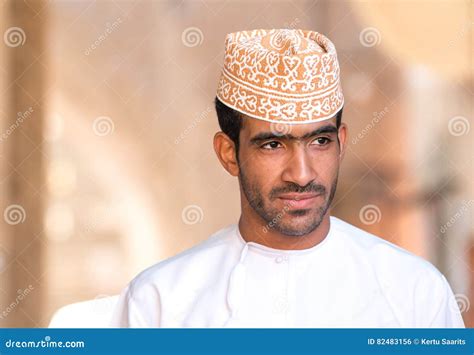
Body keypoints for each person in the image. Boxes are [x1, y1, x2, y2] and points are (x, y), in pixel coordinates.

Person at [110, 29, 465, 328]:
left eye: (320, 141)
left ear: (341, 143)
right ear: (229, 153)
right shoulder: (158, 302)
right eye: (273, 144)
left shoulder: (414, 292)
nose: (302, 174)